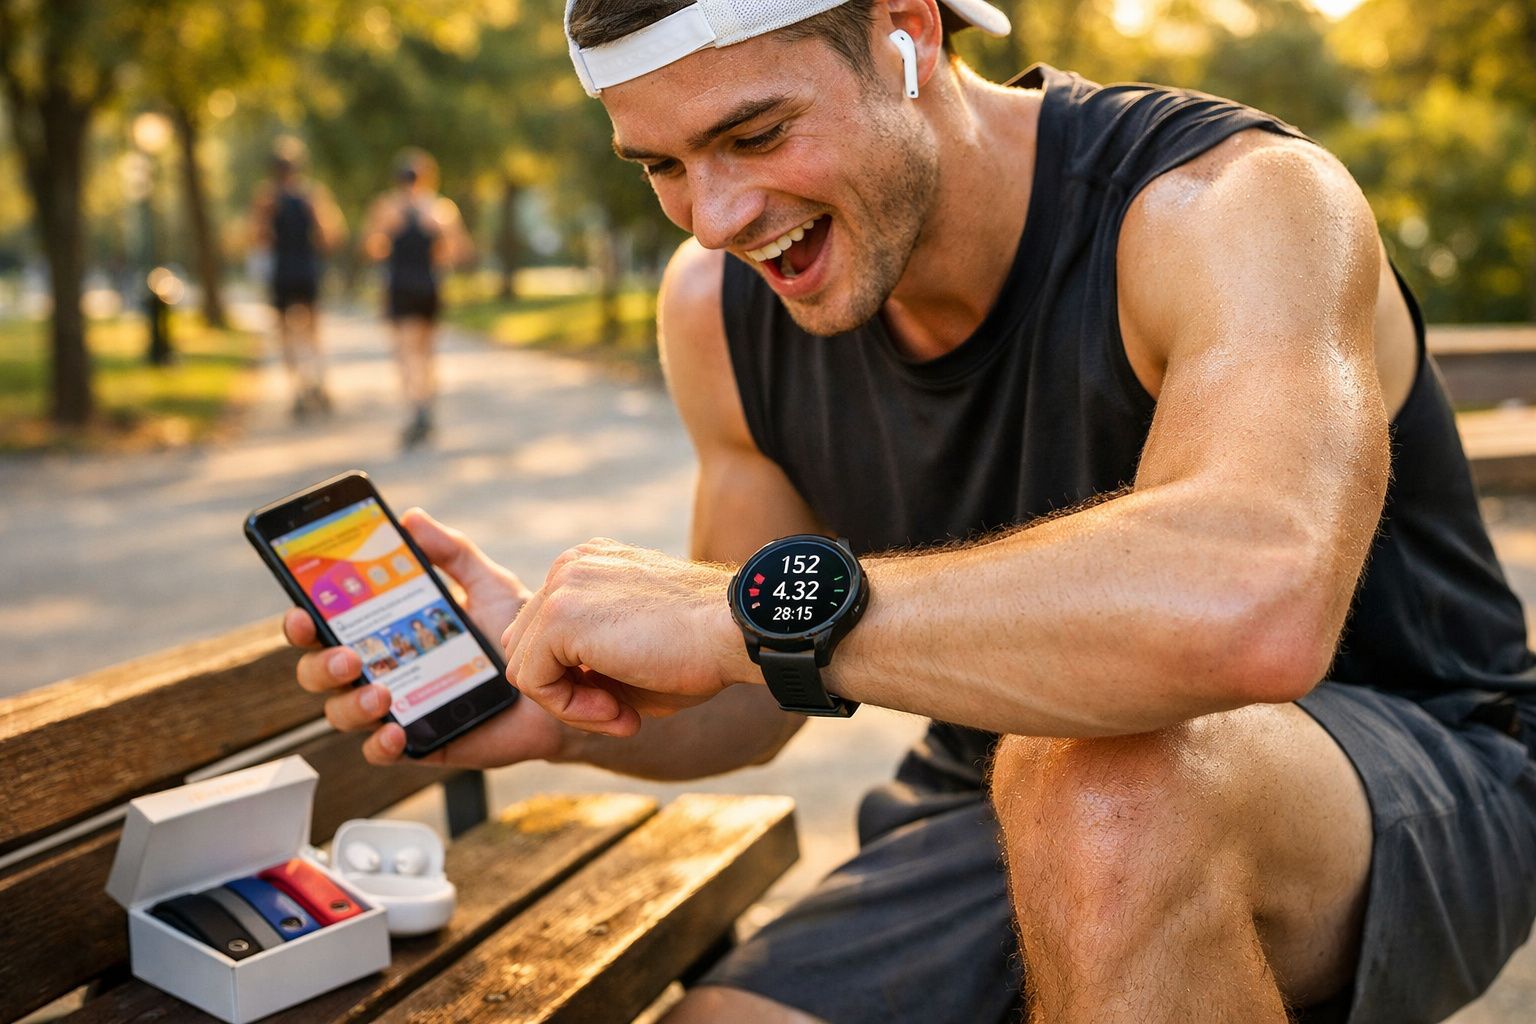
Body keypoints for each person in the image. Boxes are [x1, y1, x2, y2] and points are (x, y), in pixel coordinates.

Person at [284, 2, 1536, 1022]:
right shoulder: (718, 311)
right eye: (662, 165)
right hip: (985, 795)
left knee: (1112, 796)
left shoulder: (1233, 203)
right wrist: (561, 701)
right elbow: (753, 686)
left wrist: (741, 610)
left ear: (908, 31)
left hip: (1411, 770)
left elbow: (1252, 610)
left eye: (756, 134)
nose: (715, 217)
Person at [361, 149, 473, 449]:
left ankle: (417, 408)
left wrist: (391, 235)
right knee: (426, 352)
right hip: (428, 285)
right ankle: (426, 406)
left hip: (401, 286)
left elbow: (373, 249)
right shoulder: (440, 209)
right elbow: (456, 252)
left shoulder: (387, 207)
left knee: (407, 352)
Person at [248, 137, 347, 421]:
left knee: (286, 334)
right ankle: (316, 381)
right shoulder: (311, 195)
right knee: (312, 331)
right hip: (305, 269)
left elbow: (258, 238)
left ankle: (299, 389)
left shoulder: (267, 198)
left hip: (284, 271)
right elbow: (330, 237)